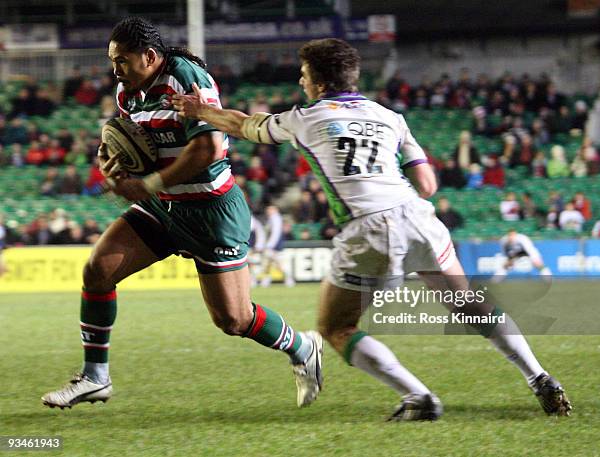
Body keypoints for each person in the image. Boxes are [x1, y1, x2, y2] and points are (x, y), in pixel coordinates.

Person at [173, 38, 571, 419]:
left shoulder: (306, 118)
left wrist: (199, 111)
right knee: (468, 304)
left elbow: (245, 126)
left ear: (321, 82)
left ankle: (419, 396)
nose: (300, 81)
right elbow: (428, 185)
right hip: (417, 216)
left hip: (367, 228)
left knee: (335, 327)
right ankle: (539, 376)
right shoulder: (390, 117)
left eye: (304, 74)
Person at [41, 17, 322, 410]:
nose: (115, 69)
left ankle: (303, 345)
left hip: (210, 210)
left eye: (122, 60)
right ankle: (95, 377)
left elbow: (207, 150)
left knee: (234, 321)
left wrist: (148, 184)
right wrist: (110, 163)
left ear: (150, 56)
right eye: (113, 61)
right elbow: (129, 141)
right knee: (98, 269)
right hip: (165, 206)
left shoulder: (186, 79)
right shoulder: (128, 92)